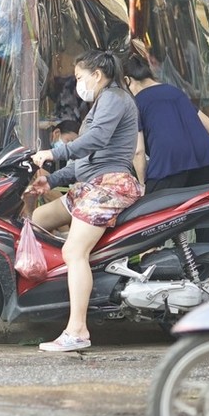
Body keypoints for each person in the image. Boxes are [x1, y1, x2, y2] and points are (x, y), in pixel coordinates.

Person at [28, 49, 143, 353]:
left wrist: (54, 153)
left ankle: (77, 329)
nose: (78, 83)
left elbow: (93, 143)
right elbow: (86, 161)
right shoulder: (102, 103)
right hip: (90, 184)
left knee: (74, 250)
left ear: (97, 75)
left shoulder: (115, 98)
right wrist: (49, 180)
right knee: (38, 221)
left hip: (110, 186)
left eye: (80, 77)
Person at [123, 54, 209, 194]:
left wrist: (142, 184)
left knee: (151, 212)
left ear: (127, 80)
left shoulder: (136, 103)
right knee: (203, 214)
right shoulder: (175, 92)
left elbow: (138, 151)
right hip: (206, 162)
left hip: (168, 167)